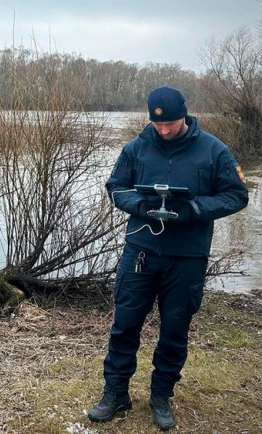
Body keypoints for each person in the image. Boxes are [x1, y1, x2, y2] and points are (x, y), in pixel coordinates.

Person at [88, 86, 248, 430]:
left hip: (187, 256)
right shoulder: (137, 147)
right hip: (140, 253)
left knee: (175, 329)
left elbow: (237, 195)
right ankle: (115, 393)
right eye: (157, 125)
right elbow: (115, 187)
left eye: (170, 124)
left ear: (184, 116)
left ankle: (161, 396)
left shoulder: (213, 150)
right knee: (124, 325)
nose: (163, 130)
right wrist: (140, 205)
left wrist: (196, 209)